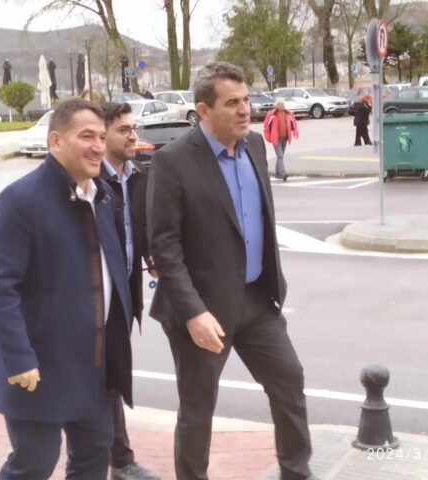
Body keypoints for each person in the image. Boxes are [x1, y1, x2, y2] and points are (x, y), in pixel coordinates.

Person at [147, 61, 318, 480]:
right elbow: (164, 247)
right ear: (203, 111)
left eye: (245, 100)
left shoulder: (255, 145)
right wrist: (193, 313)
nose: (245, 110)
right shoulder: (173, 161)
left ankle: (296, 471)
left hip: (257, 301)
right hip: (203, 312)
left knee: (289, 381)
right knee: (198, 409)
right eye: (232, 103)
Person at [0, 98, 134, 480]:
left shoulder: (102, 196)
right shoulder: (20, 201)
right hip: (39, 366)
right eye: (87, 136)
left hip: (94, 365)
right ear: (55, 141)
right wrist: (19, 358)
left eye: (101, 137)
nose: (98, 146)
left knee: (93, 457)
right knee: (34, 463)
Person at [100, 102, 160, 480]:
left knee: (111, 379)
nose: (133, 136)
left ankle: (117, 459)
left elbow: (137, 227)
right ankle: (119, 461)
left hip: (124, 296)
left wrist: (149, 254)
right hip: (98, 301)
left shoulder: (137, 176)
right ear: (103, 134)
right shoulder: (92, 182)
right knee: (108, 380)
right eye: (123, 129)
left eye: (133, 128)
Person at [263, 99, 299, 181]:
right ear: (277, 106)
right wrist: (268, 137)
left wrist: (295, 133)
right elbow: (266, 126)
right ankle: (283, 173)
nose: (283, 106)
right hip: (276, 138)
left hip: (285, 137)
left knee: (280, 155)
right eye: (281, 104)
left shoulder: (289, 114)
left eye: (283, 104)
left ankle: (278, 173)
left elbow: (294, 124)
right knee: (280, 156)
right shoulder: (271, 114)